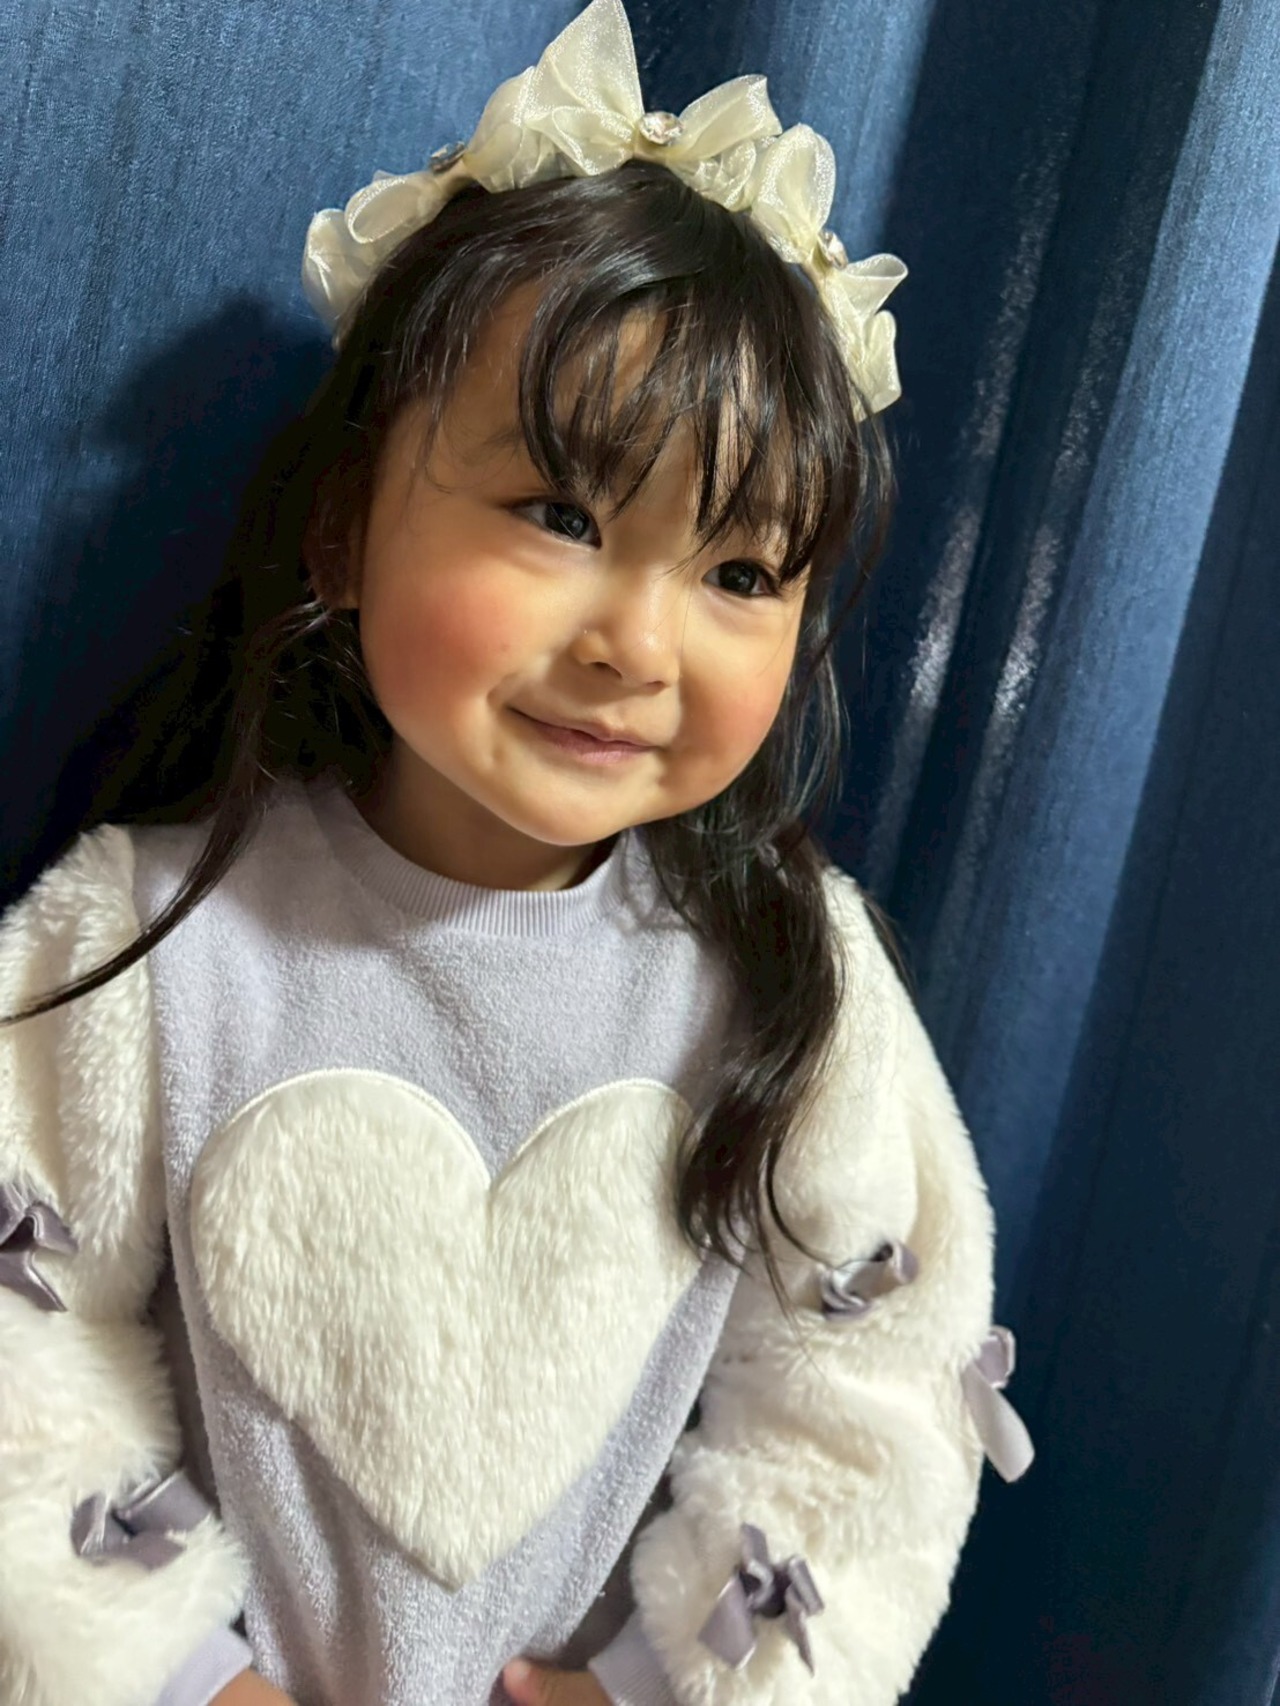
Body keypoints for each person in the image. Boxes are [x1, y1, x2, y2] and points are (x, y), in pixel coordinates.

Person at [0, 3, 1034, 1704]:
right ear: (345, 526)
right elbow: (25, 1342)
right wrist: (174, 1668)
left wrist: (662, 1680)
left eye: (741, 572)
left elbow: (874, 1392)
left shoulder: (793, 973)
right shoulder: (149, 941)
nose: (639, 641)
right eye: (562, 515)